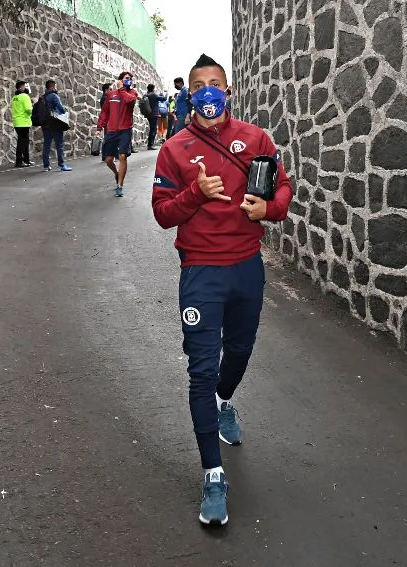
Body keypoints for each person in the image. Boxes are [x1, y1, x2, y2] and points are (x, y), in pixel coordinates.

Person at [151, 54, 293, 526]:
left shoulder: (256, 139)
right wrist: (197, 193)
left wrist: (267, 211)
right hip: (201, 272)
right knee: (200, 369)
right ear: (189, 94)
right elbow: (163, 212)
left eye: (216, 84)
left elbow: (283, 187)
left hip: (247, 268)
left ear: (228, 91)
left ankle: (223, 400)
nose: (208, 92)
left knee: (240, 352)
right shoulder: (175, 148)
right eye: (199, 85)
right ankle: (213, 475)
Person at [97, 71, 137, 197]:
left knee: (122, 156)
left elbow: (130, 101)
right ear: (120, 80)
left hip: (125, 130)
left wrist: (122, 89)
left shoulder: (132, 93)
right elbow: (104, 112)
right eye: (126, 78)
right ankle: (116, 173)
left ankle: (120, 185)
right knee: (108, 160)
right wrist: (99, 128)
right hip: (112, 131)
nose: (128, 80)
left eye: (130, 79)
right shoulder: (110, 95)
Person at [41, 79, 72, 172]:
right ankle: (61, 165)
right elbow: (61, 109)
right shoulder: (54, 96)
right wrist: (64, 111)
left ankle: (46, 166)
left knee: (46, 145)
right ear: (53, 86)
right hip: (55, 123)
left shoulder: (43, 97)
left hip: (45, 124)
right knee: (59, 145)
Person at [11, 80, 33, 167]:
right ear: (21, 87)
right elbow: (28, 109)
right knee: (22, 142)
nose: (25, 87)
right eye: (24, 86)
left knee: (24, 141)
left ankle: (26, 160)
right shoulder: (25, 96)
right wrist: (32, 110)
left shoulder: (14, 98)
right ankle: (19, 162)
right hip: (24, 122)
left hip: (17, 122)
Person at [144, 84, 165, 150]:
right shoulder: (153, 94)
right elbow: (164, 99)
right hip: (154, 114)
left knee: (152, 129)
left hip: (149, 114)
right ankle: (150, 145)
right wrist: (164, 93)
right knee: (153, 129)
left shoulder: (146, 94)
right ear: (153, 88)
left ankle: (150, 144)